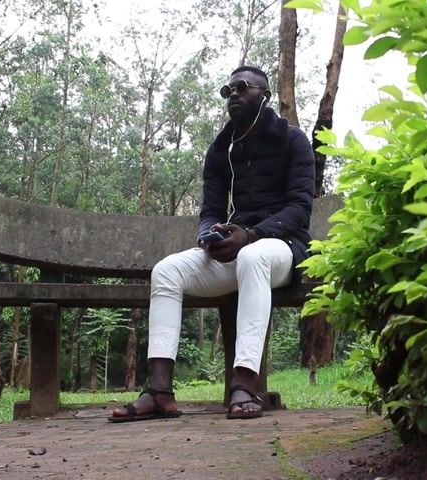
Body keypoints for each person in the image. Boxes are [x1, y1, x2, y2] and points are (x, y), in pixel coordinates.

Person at [110, 65, 315, 421]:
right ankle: (159, 391)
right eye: (228, 90)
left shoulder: (292, 140)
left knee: (253, 257)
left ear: (264, 96)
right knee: (167, 271)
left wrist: (251, 235)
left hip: (283, 248)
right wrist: (210, 235)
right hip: (239, 249)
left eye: (243, 87)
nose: (233, 94)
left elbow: (300, 208)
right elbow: (211, 210)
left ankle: (245, 385)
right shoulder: (221, 148)